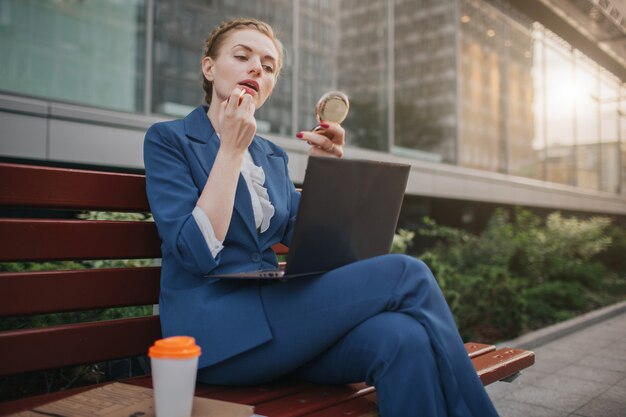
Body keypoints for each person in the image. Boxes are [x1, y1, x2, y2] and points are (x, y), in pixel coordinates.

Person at [144, 18, 499, 417]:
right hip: (215, 335)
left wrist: (324, 176)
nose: (256, 68)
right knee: (407, 273)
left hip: (279, 325)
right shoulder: (169, 140)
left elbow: (314, 248)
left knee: (404, 339)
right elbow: (195, 254)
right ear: (209, 68)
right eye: (242, 56)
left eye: (268, 65)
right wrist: (229, 151)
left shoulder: (270, 156)